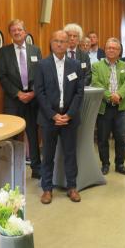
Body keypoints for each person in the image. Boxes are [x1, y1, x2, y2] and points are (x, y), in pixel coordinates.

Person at [34, 30, 85, 204]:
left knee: (70, 154)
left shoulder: (76, 65)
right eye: (56, 40)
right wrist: (53, 114)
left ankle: (72, 187)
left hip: (69, 119)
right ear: (51, 43)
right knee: (48, 155)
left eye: (63, 41)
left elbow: (79, 92)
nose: (60, 44)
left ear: (68, 44)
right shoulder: (42, 65)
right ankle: (47, 189)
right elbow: (39, 92)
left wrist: (69, 114)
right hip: (49, 119)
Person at [0, 19, 43, 179]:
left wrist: (33, 92)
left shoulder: (35, 50)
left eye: (19, 29)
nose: (17, 32)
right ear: (10, 33)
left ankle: (37, 169)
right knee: (12, 137)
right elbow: (2, 77)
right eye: (13, 30)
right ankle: (9, 170)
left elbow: (40, 74)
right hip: (13, 100)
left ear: (25, 32)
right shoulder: (3, 52)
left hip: (32, 100)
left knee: (33, 134)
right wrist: (18, 93)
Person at [91, 38, 125, 175]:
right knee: (103, 138)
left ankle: (120, 164)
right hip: (104, 107)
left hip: (121, 107)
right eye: (109, 48)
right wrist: (110, 96)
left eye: (114, 48)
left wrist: (119, 95)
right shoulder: (96, 66)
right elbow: (96, 83)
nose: (111, 50)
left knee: (122, 138)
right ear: (105, 49)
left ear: (119, 51)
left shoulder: (124, 65)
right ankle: (105, 164)